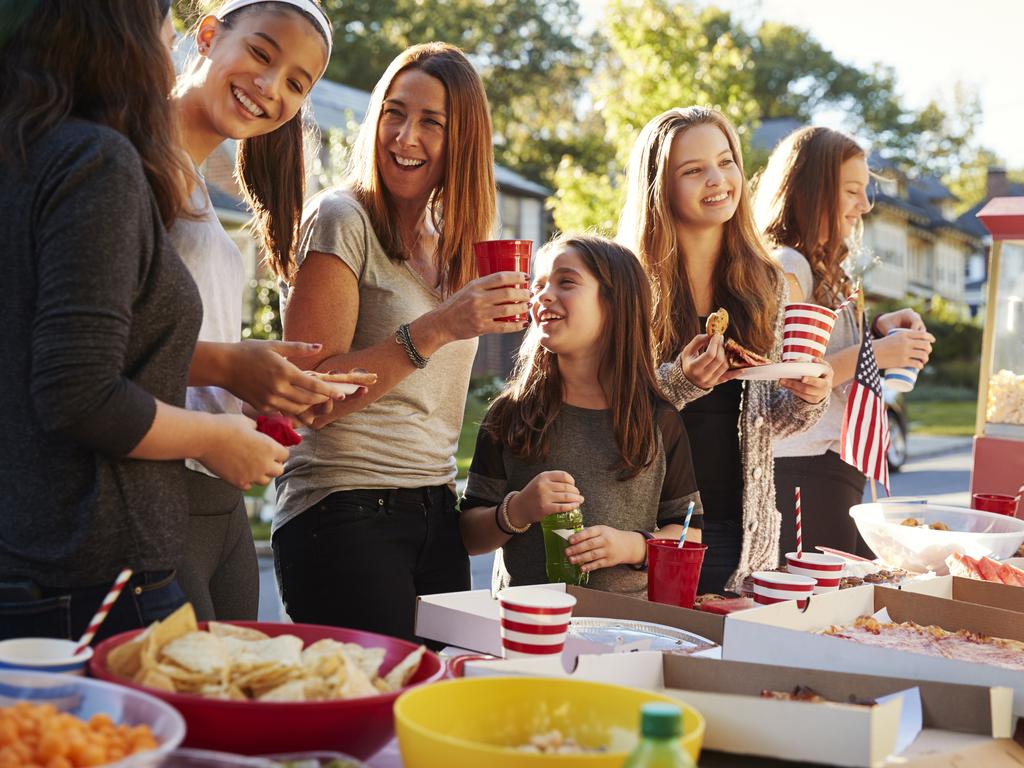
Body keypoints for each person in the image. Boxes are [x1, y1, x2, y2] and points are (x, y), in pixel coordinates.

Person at [0, 0, 286, 642]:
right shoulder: (96, 161)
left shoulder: (33, 147)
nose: (171, 41)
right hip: (94, 572)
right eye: (164, 25)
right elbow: (80, 394)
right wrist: (219, 438)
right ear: (124, 32)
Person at [272, 42, 529, 641]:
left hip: (435, 509)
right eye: (394, 112)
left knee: (432, 704)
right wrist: (438, 327)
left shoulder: (458, 245)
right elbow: (311, 399)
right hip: (342, 508)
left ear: (462, 141)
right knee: (377, 707)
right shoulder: (342, 218)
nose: (405, 137)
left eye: (431, 123)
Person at [167, 0, 375, 621]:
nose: (270, 88)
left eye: (295, 84)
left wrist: (263, 390)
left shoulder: (199, 185)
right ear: (207, 35)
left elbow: (179, 342)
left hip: (216, 493)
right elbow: (96, 350)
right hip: (155, 484)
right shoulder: (131, 162)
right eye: (261, 53)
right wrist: (233, 367)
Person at [617, 106, 834, 593]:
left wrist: (806, 395)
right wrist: (681, 383)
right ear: (658, 187)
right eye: (693, 170)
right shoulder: (621, 284)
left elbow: (771, 422)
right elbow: (604, 416)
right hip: (643, 531)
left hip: (741, 531)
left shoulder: (769, 284)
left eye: (726, 161)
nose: (717, 180)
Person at [460, 236, 703, 596]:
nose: (541, 295)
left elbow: (688, 532)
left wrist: (631, 546)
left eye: (566, 282)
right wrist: (519, 510)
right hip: (522, 623)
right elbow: (469, 536)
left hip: (624, 631)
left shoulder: (658, 420)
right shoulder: (510, 414)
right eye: (538, 285)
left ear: (616, 304)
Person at [753, 126, 934, 556]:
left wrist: (875, 332)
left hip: (830, 466)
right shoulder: (787, 265)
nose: (866, 204)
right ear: (814, 192)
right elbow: (786, 378)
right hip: (803, 469)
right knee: (816, 606)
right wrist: (875, 353)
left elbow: (821, 352)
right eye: (852, 190)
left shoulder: (821, 266)